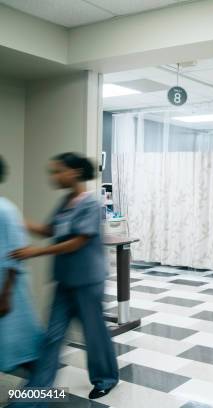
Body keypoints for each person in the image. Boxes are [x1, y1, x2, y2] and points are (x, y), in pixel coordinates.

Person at [11, 152, 118, 399]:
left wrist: (35, 252)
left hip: (88, 282)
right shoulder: (66, 201)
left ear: (75, 172)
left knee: (94, 334)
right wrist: (16, 220)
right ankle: (34, 395)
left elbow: (77, 242)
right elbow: (51, 230)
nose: (54, 176)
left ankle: (106, 378)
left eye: (58, 171)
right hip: (65, 281)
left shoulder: (90, 203)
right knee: (51, 337)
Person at [0, 156, 43, 374]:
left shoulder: (5, 210)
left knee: (25, 347)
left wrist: (6, 295)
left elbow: (16, 254)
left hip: (10, 288)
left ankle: (42, 392)